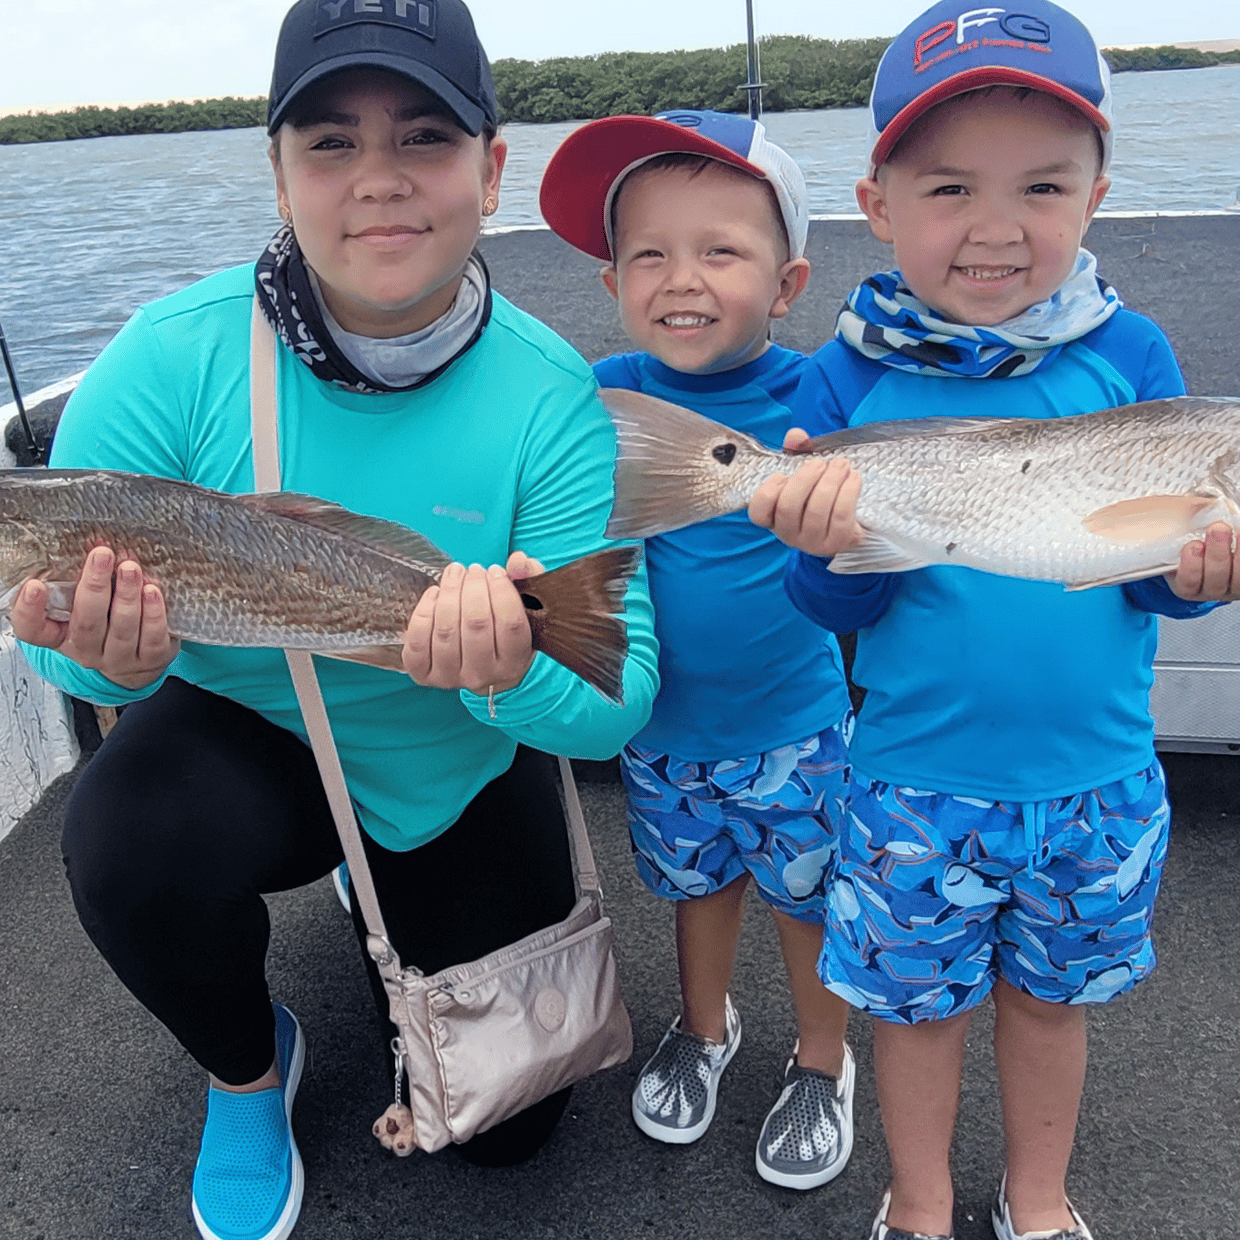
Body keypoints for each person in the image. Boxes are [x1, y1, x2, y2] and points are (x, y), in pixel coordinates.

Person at [12, 2, 658, 1239]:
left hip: (452, 748)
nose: (378, 183)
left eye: (423, 137)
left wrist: (511, 667)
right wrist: (100, 658)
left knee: (510, 1143)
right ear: (275, 171)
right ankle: (248, 1068)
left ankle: (396, 917)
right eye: (328, 144)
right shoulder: (165, 355)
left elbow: (616, 698)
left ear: (491, 165)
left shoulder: (547, 390)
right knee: (128, 838)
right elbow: (49, 630)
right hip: (247, 733)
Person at [749, 3, 1240, 1237]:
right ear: (880, 201)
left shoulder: (1132, 352)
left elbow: (1133, 570)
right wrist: (826, 547)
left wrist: (1195, 574)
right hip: (915, 776)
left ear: (1096, 193)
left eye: (1041, 184)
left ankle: (1036, 1195)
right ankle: (916, 1201)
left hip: (1098, 777)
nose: (994, 226)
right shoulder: (846, 374)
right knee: (912, 1009)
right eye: (951, 186)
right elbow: (825, 604)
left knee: (1050, 1002)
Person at [540, 110, 857, 1190]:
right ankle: (704, 1025)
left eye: (720, 250)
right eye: (649, 254)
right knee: (694, 887)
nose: (683, 277)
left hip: (798, 724)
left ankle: (824, 1057)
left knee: (807, 898)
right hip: (660, 729)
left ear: (787, 279)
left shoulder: (821, 398)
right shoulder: (596, 394)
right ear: (613, 282)